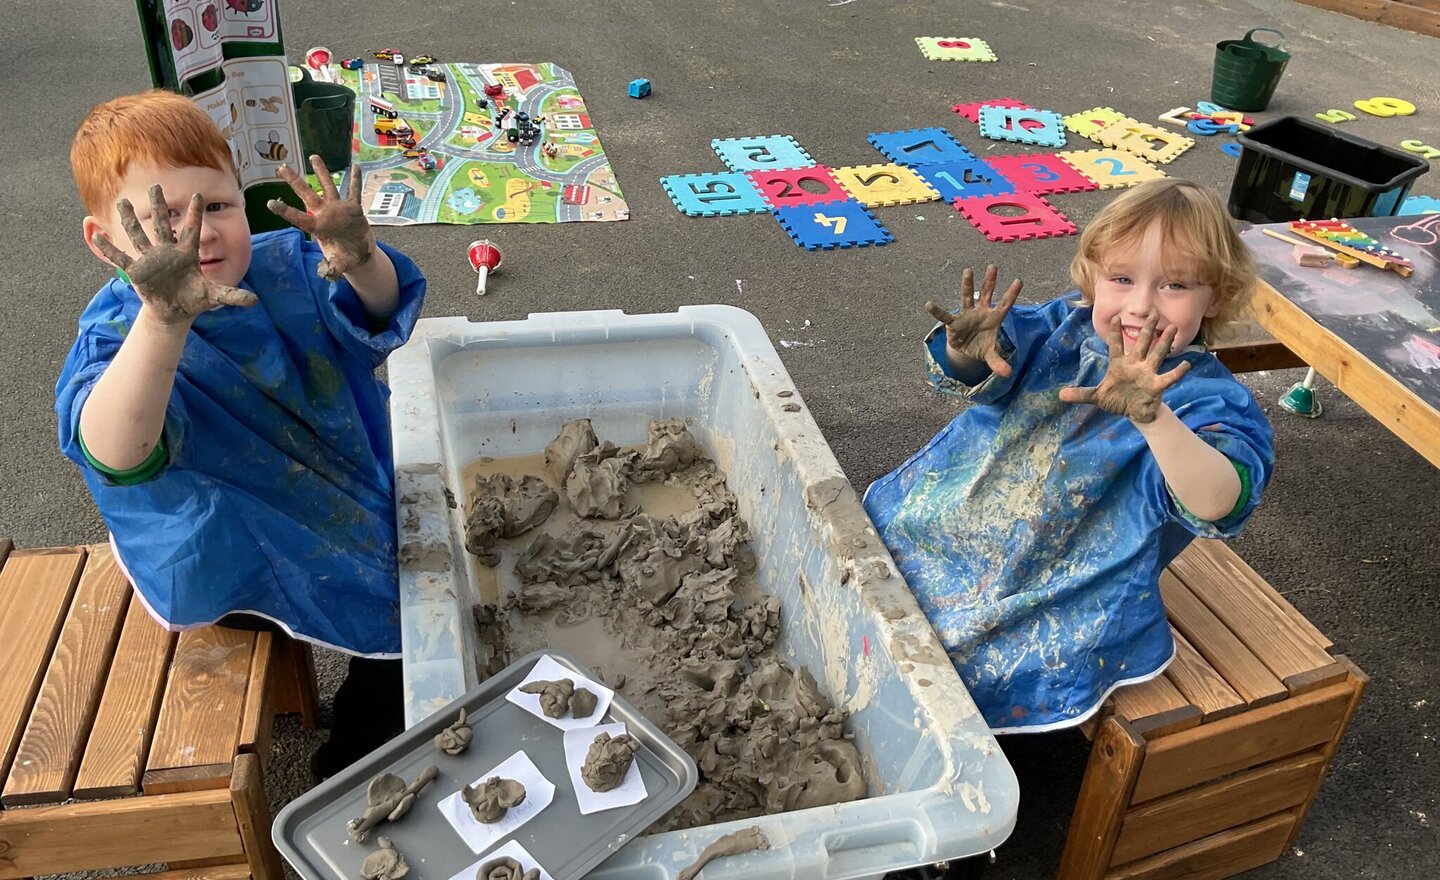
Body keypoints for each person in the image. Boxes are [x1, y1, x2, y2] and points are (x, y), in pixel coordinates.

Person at [56, 89, 427, 778]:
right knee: (410, 613)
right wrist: (163, 322)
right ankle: (357, 764)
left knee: (425, 556)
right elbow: (118, 453)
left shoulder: (286, 264)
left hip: (321, 480)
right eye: (163, 220)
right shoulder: (116, 336)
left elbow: (379, 313)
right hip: (225, 541)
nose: (196, 233)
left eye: (216, 207)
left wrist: (360, 257)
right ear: (104, 238)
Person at [863, 179, 1275, 733]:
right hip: (961, 518)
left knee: (949, 658)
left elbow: (1220, 502)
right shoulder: (1062, 328)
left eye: (1174, 285)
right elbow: (986, 370)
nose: (1140, 307)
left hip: (1065, 577)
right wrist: (965, 350)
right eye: (1122, 279)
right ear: (1093, 277)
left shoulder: (1206, 399)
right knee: (876, 572)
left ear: (1216, 298)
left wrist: (1156, 420)